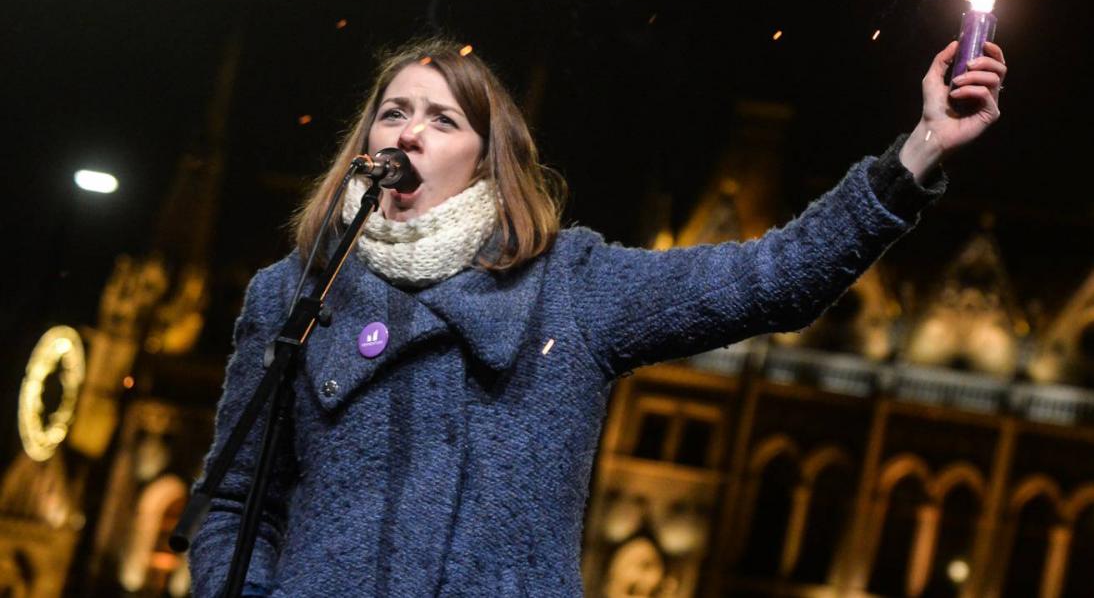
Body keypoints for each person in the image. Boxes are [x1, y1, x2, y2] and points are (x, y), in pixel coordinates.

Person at [188, 35, 1007, 596]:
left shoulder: (568, 283)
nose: (410, 131)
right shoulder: (294, 294)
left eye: (444, 119)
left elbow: (775, 277)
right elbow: (235, 503)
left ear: (486, 158)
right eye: (395, 111)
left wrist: (920, 151)